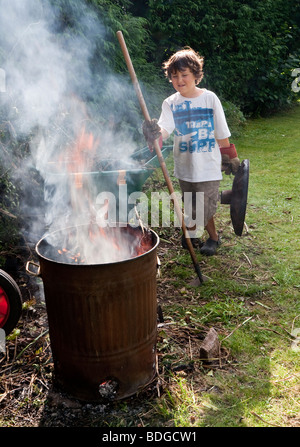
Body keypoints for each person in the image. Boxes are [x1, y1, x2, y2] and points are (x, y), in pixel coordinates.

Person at [142, 47, 240, 256]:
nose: (180, 80)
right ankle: (202, 235)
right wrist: (154, 133)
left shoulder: (209, 98)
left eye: (184, 74)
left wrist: (229, 156)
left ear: (196, 75)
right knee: (192, 202)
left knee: (204, 205)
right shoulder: (170, 103)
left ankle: (203, 235)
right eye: (175, 76)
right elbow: (164, 130)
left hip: (208, 164)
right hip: (185, 165)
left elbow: (221, 131)